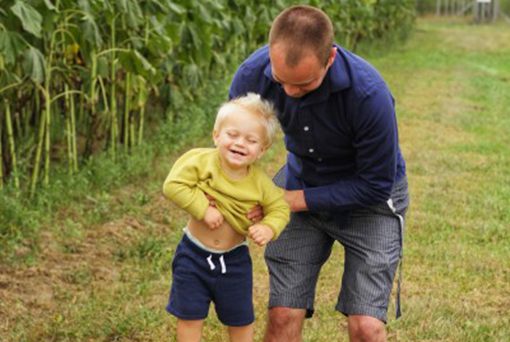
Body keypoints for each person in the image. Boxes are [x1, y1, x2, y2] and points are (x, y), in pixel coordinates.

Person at [229, 5, 409, 342]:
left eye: (305, 84)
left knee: (366, 328)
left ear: (330, 59)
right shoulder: (252, 76)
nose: (291, 93)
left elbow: (376, 184)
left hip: (370, 199)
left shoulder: (369, 94)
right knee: (282, 315)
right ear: (270, 55)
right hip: (302, 178)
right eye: (282, 82)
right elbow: (234, 148)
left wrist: (289, 200)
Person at [162, 93, 290, 342]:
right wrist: (203, 208)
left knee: (240, 318)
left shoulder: (260, 182)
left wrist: (268, 227)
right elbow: (173, 184)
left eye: (251, 140)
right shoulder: (201, 161)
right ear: (216, 135)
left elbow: (279, 208)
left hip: (234, 260)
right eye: (232, 135)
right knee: (189, 315)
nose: (240, 143)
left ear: (262, 150)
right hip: (193, 254)